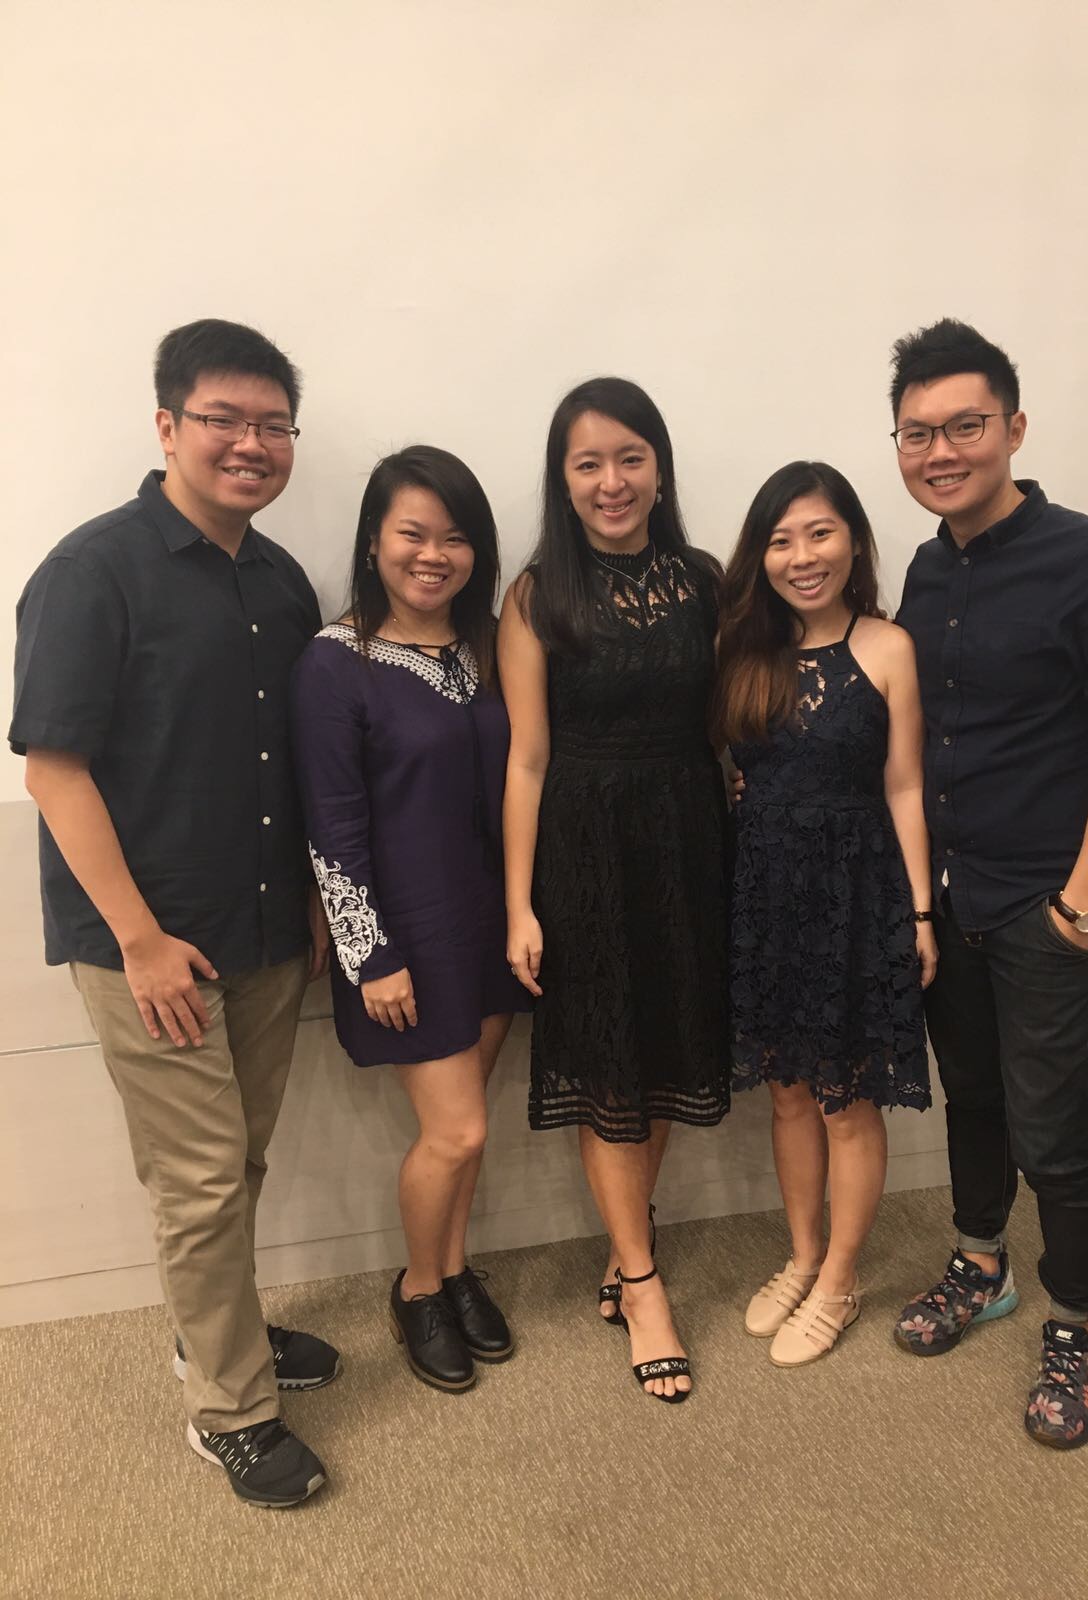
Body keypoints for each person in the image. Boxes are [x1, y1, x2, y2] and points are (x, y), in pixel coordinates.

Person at [10, 318, 338, 1508]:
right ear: (167, 426)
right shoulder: (92, 571)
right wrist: (140, 941)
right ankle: (231, 1409)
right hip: (148, 944)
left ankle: (216, 1332)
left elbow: (295, 760)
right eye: (223, 420)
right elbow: (54, 771)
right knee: (200, 1178)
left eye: (272, 425)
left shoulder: (282, 581)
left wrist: (311, 903)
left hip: (263, 928)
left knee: (235, 1161)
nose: (251, 444)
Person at [888, 318, 1088, 1448]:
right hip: (950, 899)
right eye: (917, 432)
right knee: (973, 1099)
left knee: (1053, 1131)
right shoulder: (925, 569)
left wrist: (1079, 907)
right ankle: (981, 1263)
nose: (940, 451)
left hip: (1045, 906)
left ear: (1013, 427)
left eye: (963, 425)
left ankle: (1075, 1319)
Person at [498, 377, 729, 1403]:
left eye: (629, 458)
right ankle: (642, 1282)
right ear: (563, 479)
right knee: (608, 1067)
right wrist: (519, 903)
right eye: (587, 463)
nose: (611, 481)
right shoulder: (536, 596)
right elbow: (526, 761)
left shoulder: (706, 581)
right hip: (585, 847)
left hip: (687, 837)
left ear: (659, 469)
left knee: (664, 1052)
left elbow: (728, 719)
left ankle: (626, 1243)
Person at [290, 446, 530, 1394]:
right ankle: (419, 1288)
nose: (434, 555)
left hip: (491, 924)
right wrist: (369, 954)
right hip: (406, 938)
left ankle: (456, 1267)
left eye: (456, 538)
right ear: (373, 542)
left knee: (476, 1120)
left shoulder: (485, 646)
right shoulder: (333, 662)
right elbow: (330, 824)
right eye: (413, 534)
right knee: (455, 1132)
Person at [713, 461, 934, 1367]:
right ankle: (802, 1256)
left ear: (852, 541)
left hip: (856, 888)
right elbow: (728, 771)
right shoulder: (740, 651)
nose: (802, 556)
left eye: (819, 533)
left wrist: (922, 913)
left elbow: (905, 785)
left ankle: (841, 1279)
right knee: (787, 1090)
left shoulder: (889, 646)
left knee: (846, 1096)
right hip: (765, 889)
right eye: (781, 540)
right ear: (760, 555)